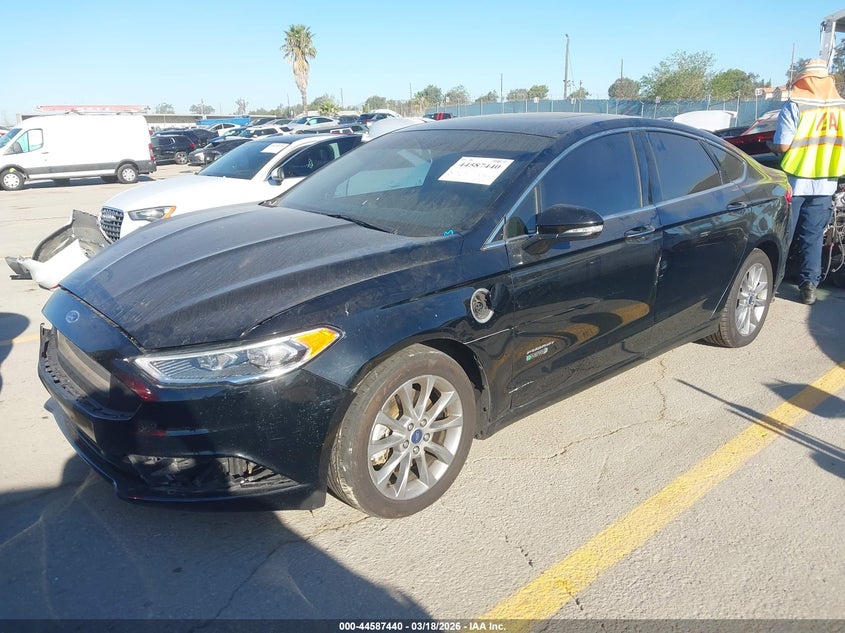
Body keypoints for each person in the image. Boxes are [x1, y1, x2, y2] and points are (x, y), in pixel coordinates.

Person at [773, 58, 845, 304]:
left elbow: (783, 145)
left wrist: (770, 147)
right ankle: (808, 288)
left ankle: (772, 287)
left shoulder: (796, 105)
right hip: (825, 183)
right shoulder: (841, 108)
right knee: (813, 237)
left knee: (785, 235)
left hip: (795, 181)